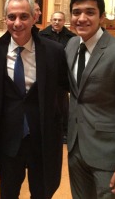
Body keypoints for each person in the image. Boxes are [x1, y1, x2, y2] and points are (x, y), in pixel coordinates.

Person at [0, 0, 69, 199]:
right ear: (5, 19)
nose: (17, 23)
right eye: (12, 17)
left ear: (34, 18)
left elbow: (63, 89)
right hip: (8, 140)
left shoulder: (54, 51)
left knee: (42, 193)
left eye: (24, 16)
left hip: (43, 139)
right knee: (8, 193)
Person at [65, 0, 115, 199]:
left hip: (108, 155)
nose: (82, 18)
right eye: (76, 12)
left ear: (102, 17)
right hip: (76, 149)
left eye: (90, 12)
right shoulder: (70, 46)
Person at [39, 11, 76, 143]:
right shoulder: (41, 35)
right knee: (45, 104)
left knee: (63, 105)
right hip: (46, 75)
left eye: (59, 20)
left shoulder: (71, 37)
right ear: (50, 20)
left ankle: (64, 131)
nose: (56, 22)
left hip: (62, 76)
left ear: (64, 21)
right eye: (54, 19)